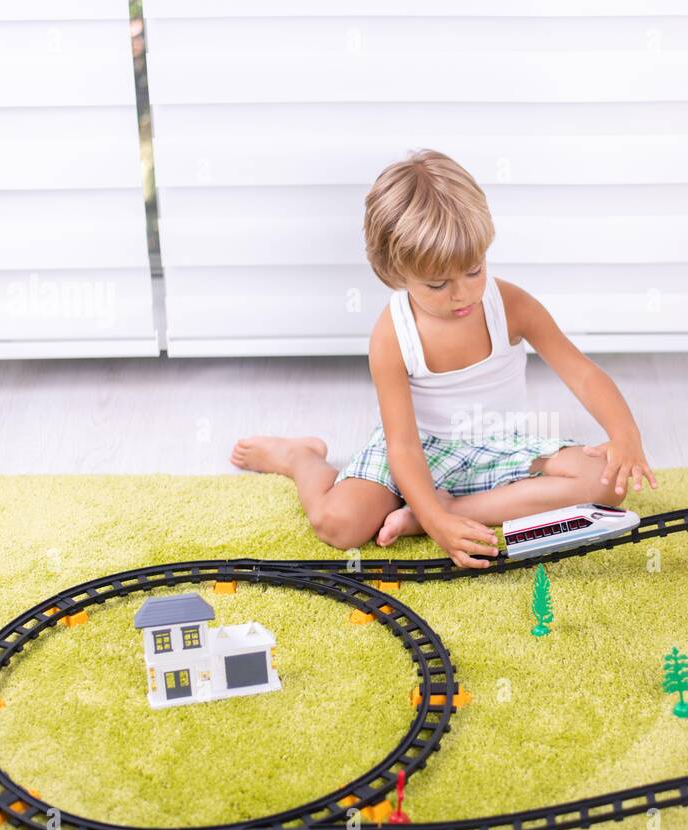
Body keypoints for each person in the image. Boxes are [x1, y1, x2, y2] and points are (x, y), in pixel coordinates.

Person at [232, 149, 657, 568]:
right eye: (438, 284)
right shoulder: (392, 334)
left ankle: (454, 506)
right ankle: (300, 458)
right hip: (418, 448)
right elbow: (402, 445)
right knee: (338, 525)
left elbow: (581, 374)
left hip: (498, 441)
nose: (462, 293)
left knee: (606, 485)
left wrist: (625, 434)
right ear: (395, 272)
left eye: (474, 271)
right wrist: (435, 521)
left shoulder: (511, 304)